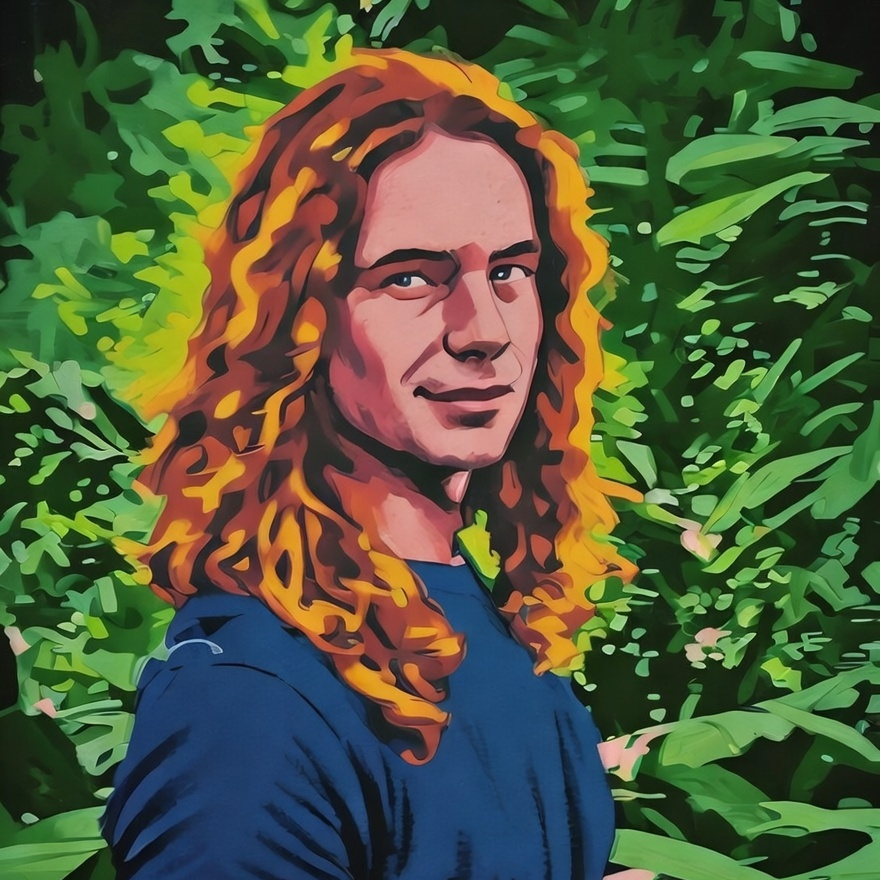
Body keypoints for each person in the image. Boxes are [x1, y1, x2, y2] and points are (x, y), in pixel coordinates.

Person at [102, 47, 638, 879]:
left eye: (509, 271)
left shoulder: (493, 629)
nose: (484, 330)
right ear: (300, 317)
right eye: (412, 278)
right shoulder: (247, 697)